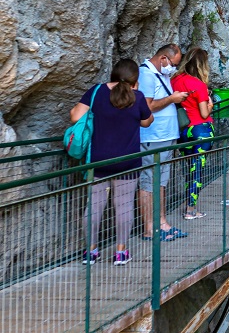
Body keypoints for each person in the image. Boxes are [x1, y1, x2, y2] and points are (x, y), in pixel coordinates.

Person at [72, 59, 154, 266]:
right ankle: (121, 252)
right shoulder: (137, 97)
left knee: (94, 205)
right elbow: (147, 121)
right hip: (128, 162)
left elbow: (75, 117)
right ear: (135, 79)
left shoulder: (97, 92)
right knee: (124, 206)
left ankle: (91, 251)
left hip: (98, 161)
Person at [138, 44, 189, 242]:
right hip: (153, 137)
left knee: (161, 182)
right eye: (173, 64)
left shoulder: (162, 74)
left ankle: (162, 222)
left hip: (165, 137)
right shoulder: (146, 75)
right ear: (163, 59)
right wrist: (172, 98)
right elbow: (147, 106)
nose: (173, 68)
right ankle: (149, 228)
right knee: (149, 182)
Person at [172, 48, 214, 220]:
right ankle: (191, 209)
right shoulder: (199, 84)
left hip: (183, 130)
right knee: (198, 169)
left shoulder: (174, 80)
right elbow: (204, 113)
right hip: (201, 130)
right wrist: (210, 104)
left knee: (188, 168)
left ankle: (188, 203)